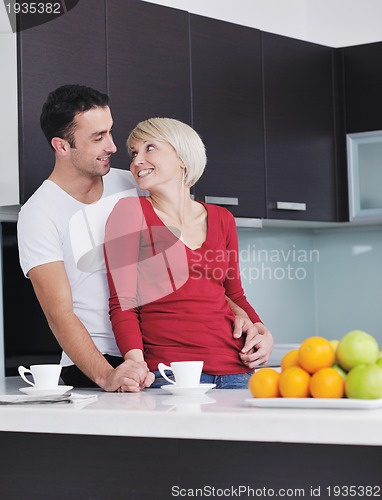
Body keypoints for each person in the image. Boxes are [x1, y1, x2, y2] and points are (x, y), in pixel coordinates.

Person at [17, 84, 271, 392]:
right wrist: (105, 375)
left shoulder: (133, 182)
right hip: (97, 361)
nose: (112, 147)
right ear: (62, 146)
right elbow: (59, 314)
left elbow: (198, 274)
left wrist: (246, 317)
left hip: (155, 355)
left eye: (110, 132)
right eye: (98, 138)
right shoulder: (39, 213)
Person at [104, 117, 274, 389]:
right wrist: (135, 363)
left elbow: (234, 294)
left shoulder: (222, 218)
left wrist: (263, 332)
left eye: (149, 148)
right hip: (170, 375)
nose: (137, 161)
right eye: (134, 153)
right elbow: (123, 303)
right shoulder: (129, 213)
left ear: (182, 158)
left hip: (237, 370)